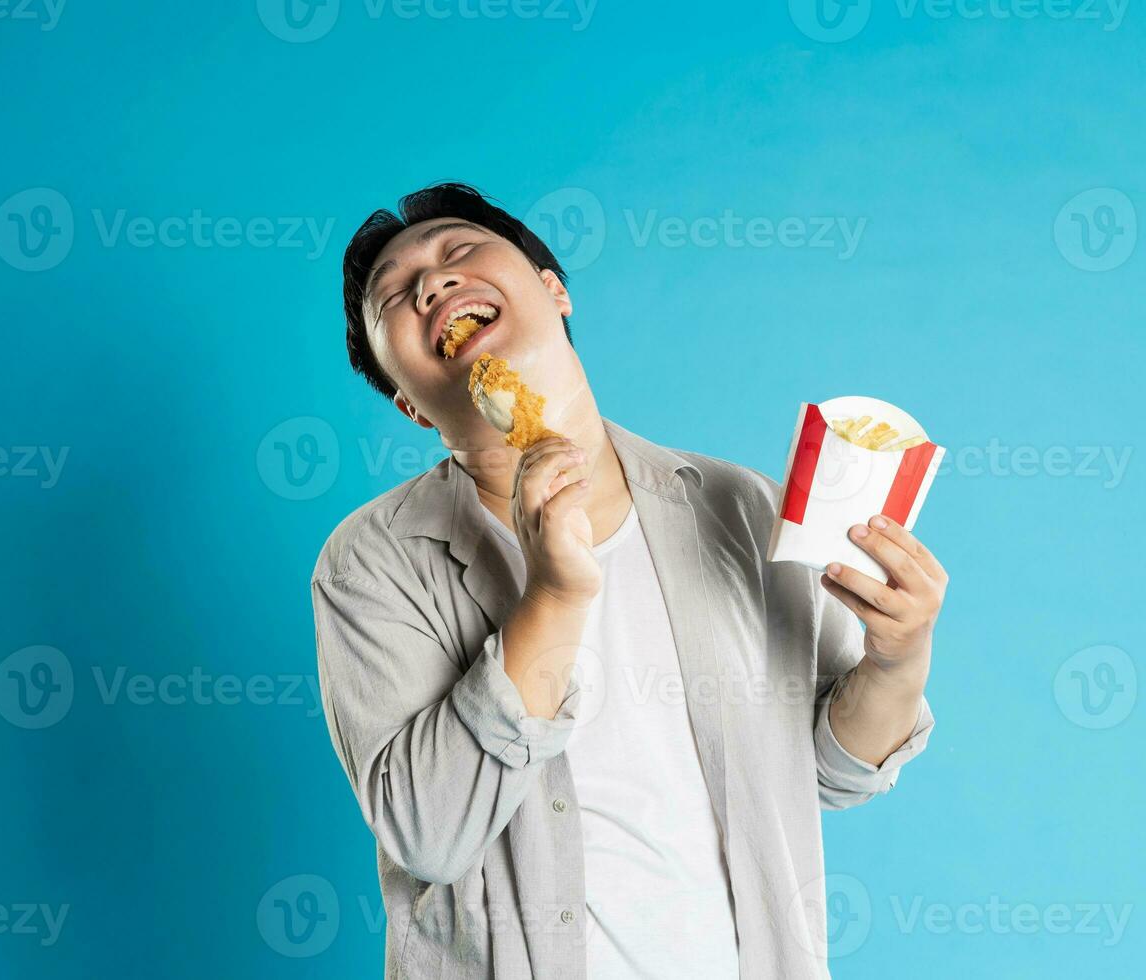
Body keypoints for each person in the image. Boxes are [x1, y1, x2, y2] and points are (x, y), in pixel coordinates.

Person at [312, 182, 945, 979]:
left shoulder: (737, 506)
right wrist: (553, 598)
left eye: (458, 253)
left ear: (553, 289)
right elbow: (429, 833)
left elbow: (829, 771)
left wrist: (897, 659)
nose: (432, 283)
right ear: (409, 404)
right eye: (396, 298)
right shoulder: (374, 560)